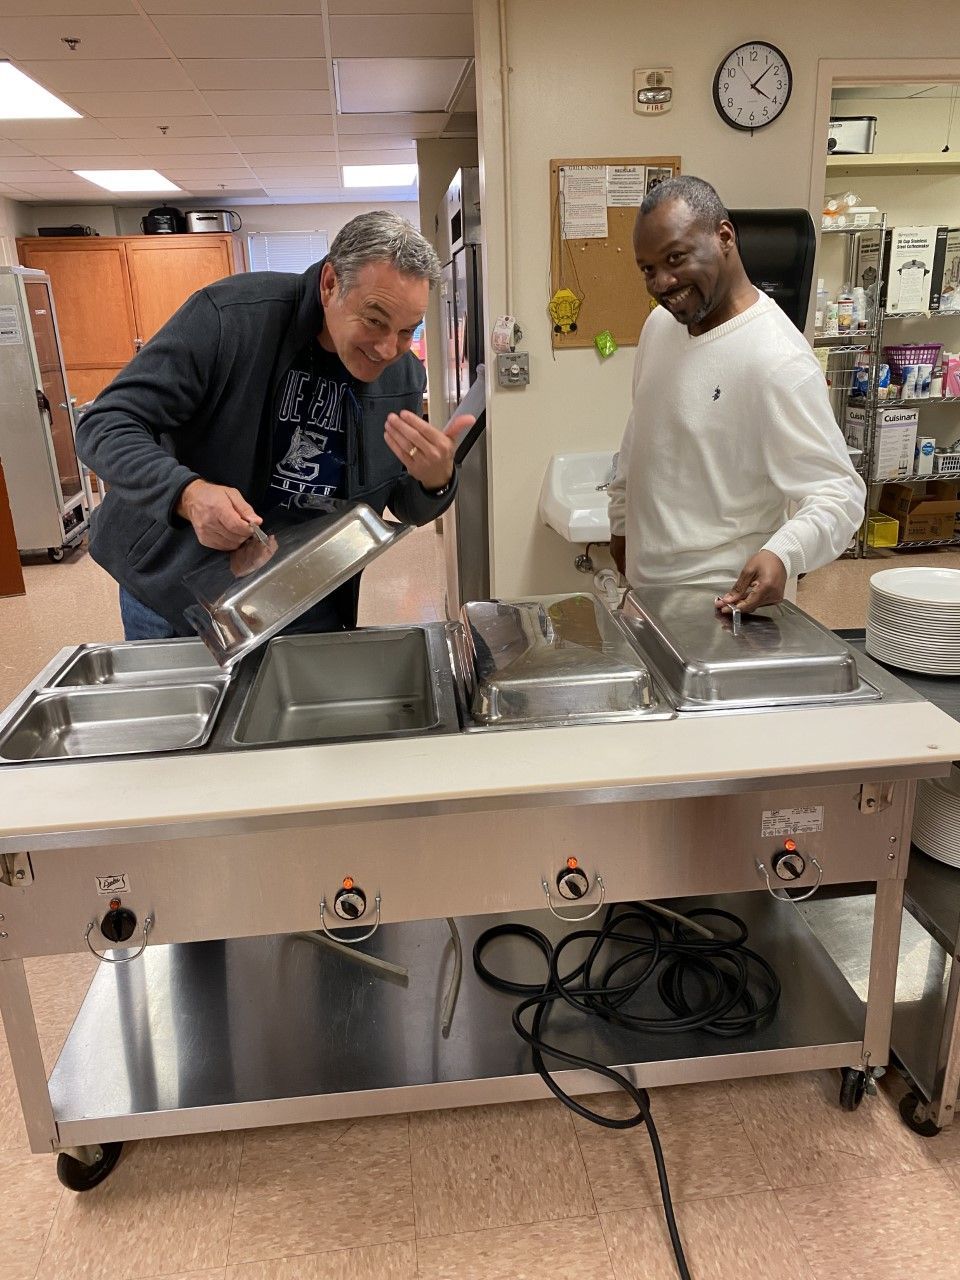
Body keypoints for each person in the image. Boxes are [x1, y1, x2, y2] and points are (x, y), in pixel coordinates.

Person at [76, 210, 474, 639]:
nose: (387, 348)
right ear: (329, 284)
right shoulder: (231, 317)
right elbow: (106, 423)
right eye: (375, 320)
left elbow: (403, 503)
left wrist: (434, 482)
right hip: (175, 594)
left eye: (406, 331)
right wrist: (188, 495)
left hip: (305, 599)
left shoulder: (402, 376)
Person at [607, 175, 866, 615]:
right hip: (647, 600)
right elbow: (641, 436)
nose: (662, 282)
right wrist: (619, 524)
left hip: (725, 607)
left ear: (723, 236)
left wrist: (784, 552)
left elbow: (839, 496)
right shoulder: (659, 327)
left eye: (675, 258)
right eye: (648, 268)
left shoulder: (777, 358)